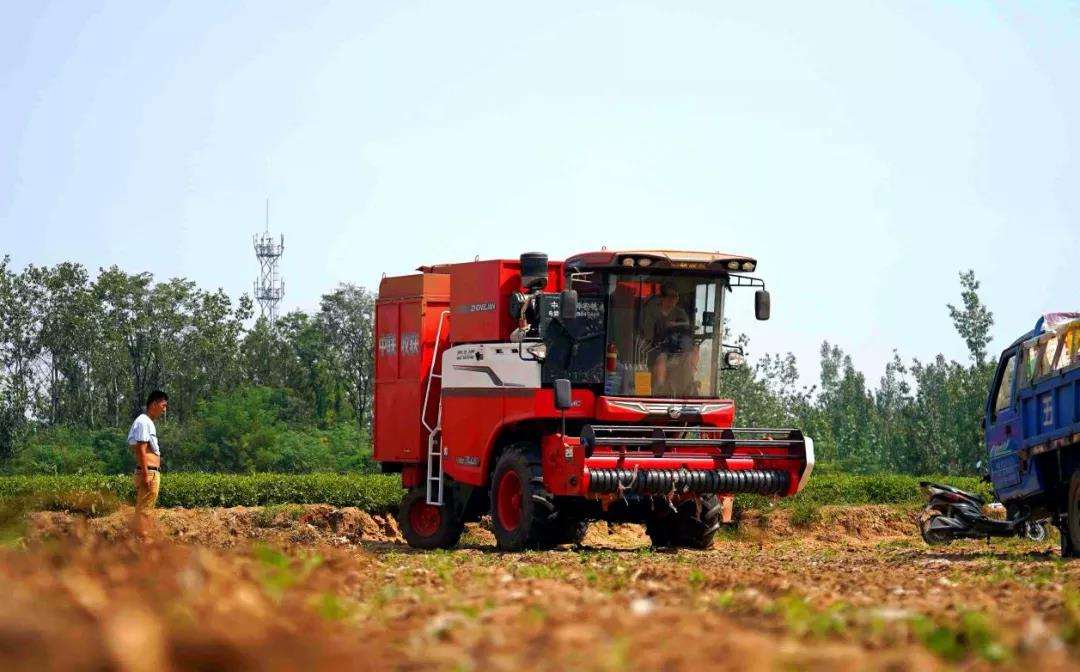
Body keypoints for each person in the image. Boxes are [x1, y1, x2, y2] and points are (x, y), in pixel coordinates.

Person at [640, 283, 696, 394]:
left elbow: (687, 326)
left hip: (676, 347)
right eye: (671, 296)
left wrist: (674, 326)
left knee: (694, 350)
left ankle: (690, 382)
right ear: (663, 297)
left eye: (676, 297)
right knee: (662, 357)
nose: (674, 300)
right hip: (655, 346)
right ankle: (660, 388)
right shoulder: (652, 311)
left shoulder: (680, 312)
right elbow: (647, 334)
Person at [128, 390, 168, 539]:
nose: (164, 410)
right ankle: (143, 545)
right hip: (148, 472)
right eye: (163, 405)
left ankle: (139, 543)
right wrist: (146, 474)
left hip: (150, 472)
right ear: (154, 404)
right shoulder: (144, 421)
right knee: (144, 513)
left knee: (144, 511)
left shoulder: (147, 422)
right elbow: (141, 449)